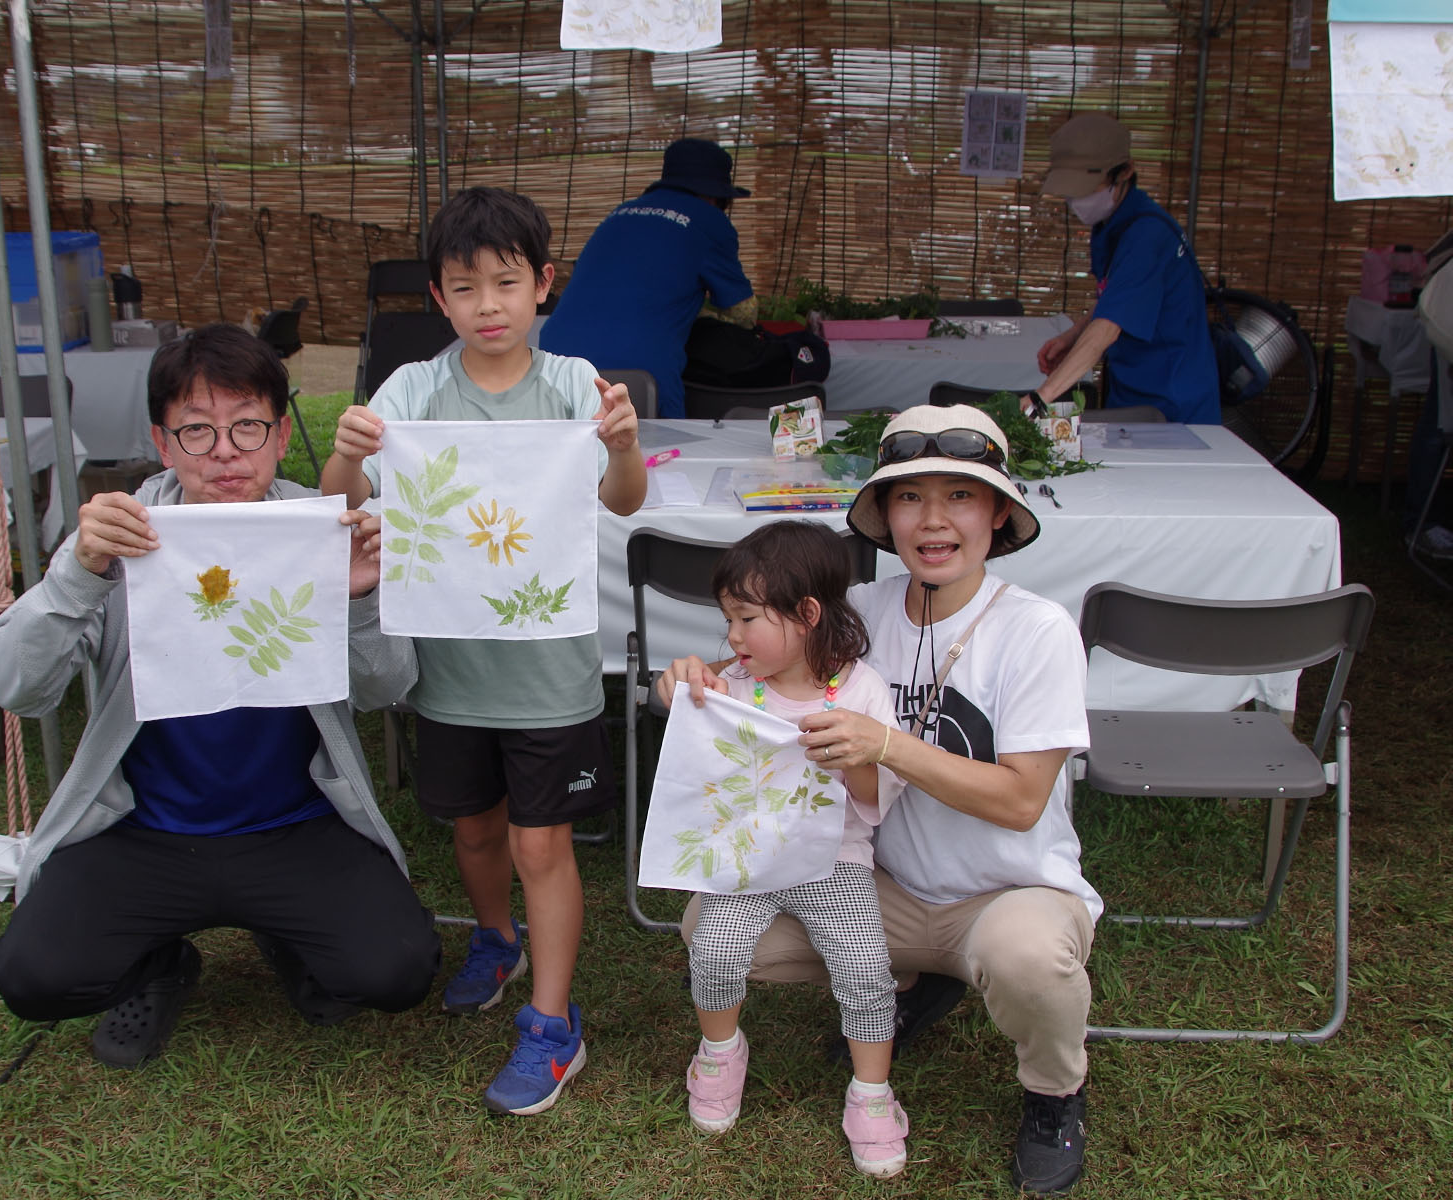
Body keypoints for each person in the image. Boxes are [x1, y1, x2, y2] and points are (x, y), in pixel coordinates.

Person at [665, 404, 1096, 1195]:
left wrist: (887, 745)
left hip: (1005, 891)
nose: (932, 521)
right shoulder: (854, 619)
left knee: (1029, 958)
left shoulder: (1037, 630)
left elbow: (1022, 802)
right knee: (713, 928)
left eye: (959, 497)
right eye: (908, 497)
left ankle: (1054, 1095)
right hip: (882, 884)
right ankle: (914, 980)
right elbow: (759, 673)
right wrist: (696, 674)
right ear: (884, 516)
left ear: (997, 514)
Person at [0, 322, 440, 1069]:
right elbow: (18, 688)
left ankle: (290, 935)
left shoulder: (319, 526)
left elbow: (390, 688)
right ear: (163, 445)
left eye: (247, 427)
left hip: (295, 825)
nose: (225, 451)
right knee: (34, 977)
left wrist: (359, 601)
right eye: (196, 432)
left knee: (394, 968)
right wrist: (78, 575)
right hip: (144, 831)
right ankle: (159, 964)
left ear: (280, 431)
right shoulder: (121, 535)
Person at [321, 185, 645, 1116]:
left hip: (550, 674)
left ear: (544, 285)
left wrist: (622, 444)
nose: (490, 305)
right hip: (452, 672)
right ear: (439, 299)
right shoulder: (413, 391)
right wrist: (346, 454)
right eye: (467, 288)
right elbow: (343, 499)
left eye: (508, 282)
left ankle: (552, 1025)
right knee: (474, 829)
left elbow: (621, 501)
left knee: (544, 841)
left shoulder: (577, 385)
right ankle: (496, 938)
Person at [656, 521, 909, 1177]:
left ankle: (872, 1092)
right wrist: (677, 685)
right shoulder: (737, 684)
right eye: (728, 620)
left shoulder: (861, 691)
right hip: (749, 858)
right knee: (712, 947)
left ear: (807, 615)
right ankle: (719, 1051)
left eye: (745, 619)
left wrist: (854, 755)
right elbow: (686, 707)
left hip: (834, 862)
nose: (732, 637)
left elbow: (876, 796)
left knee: (863, 968)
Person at [537, 137, 756, 418]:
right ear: (715, 197)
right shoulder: (710, 221)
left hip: (557, 361)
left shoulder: (620, 213)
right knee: (661, 454)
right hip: (639, 373)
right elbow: (745, 313)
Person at [1027, 112, 1218, 425]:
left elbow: (1107, 328)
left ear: (1125, 172)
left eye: (1088, 188)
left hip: (1171, 400)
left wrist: (1039, 401)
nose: (1077, 201)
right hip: (1131, 387)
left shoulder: (1147, 235)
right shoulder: (1113, 224)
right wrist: (1074, 335)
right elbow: (1115, 295)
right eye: (1071, 192)